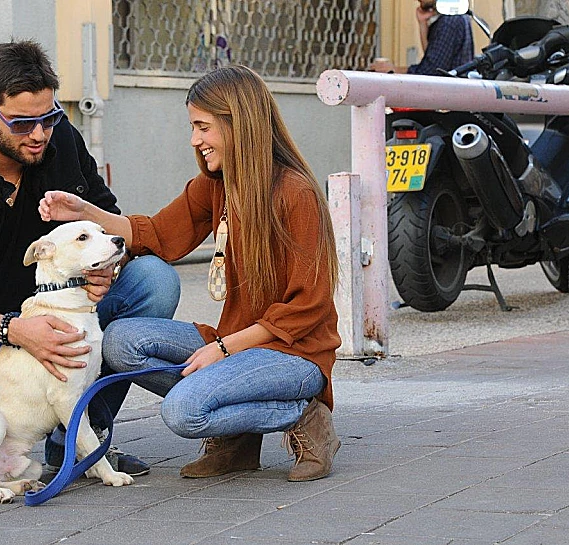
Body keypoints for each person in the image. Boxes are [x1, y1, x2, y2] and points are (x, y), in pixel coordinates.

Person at [0, 40, 180, 481]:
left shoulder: (64, 145)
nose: (39, 134)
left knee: (154, 280)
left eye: (49, 117)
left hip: (55, 314)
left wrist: (106, 269)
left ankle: (77, 439)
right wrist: (14, 329)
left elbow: (108, 226)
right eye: (22, 123)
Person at [38, 65, 342, 482]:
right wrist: (85, 212)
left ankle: (306, 413)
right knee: (122, 341)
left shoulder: (296, 193)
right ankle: (238, 442)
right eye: (193, 127)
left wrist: (224, 349)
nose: (195, 140)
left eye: (203, 127)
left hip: (297, 354)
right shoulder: (216, 185)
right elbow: (158, 235)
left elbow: (309, 307)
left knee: (184, 411)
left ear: (240, 125)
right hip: (237, 342)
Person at [369, 0, 474, 75]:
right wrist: (422, 23)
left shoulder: (450, 20)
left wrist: (393, 69)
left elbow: (430, 71)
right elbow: (432, 58)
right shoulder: (451, 18)